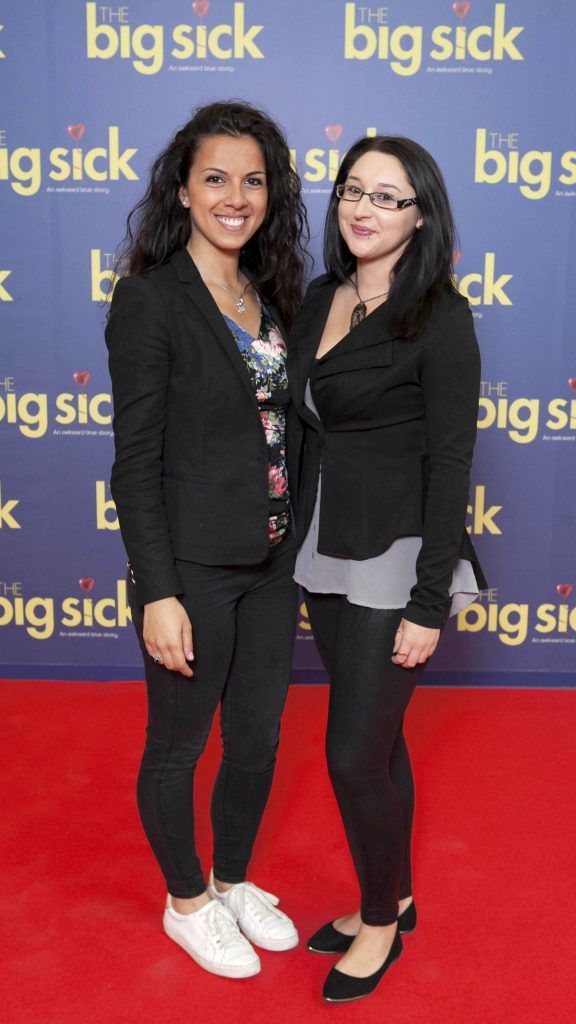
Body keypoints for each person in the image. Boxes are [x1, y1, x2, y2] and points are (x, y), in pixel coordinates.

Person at [105, 101, 309, 980]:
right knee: (179, 746)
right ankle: (186, 901)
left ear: (272, 194)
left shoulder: (270, 295)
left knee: (259, 740)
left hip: (272, 562)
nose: (235, 196)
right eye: (215, 178)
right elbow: (134, 461)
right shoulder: (151, 301)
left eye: (252, 180)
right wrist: (157, 589)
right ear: (183, 191)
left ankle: (230, 880)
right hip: (191, 568)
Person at [287, 135, 487, 1004]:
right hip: (322, 547)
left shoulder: (441, 315)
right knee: (379, 743)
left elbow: (452, 465)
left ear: (421, 214)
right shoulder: (320, 296)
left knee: (351, 755)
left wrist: (428, 601)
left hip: (398, 559)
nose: (364, 209)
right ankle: (397, 892)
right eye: (351, 190)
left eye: (388, 196)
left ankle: (377, 923)